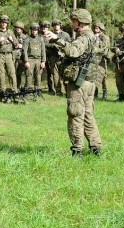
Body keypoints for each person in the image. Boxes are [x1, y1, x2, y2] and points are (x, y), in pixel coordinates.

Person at [45, 9, 102, 157]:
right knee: (88, 114)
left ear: (80, 22)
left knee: (75, 112)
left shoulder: (83, 38)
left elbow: (73, 51)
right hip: (89, 81)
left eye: (74, 21)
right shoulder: (93, 37)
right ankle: (95, 147)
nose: (71, 23)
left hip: (79, 82)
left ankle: (77, 150)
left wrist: (57, 39)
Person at [0, 15, 18, 94]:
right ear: (0, 23)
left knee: (12, 73)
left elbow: (16, 44)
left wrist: (11, 40)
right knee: (1, 74)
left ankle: (14, 90)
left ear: (7, 24)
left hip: (9, 55)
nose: (4, 24)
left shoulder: (10, 32)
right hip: (0, 55)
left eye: (5, 23)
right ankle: (2, 91)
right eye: (2, 22)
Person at [45, 19, 70, 96]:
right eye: (55, 25)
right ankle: (58, 91)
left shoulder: (65, 35)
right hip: (53, 56)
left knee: (65, 74)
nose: (56, 26)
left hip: (64, 57)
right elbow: (45, 44)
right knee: (55, 75)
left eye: (58, 25)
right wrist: (54, 46)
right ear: (53, 26)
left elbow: (69, 44)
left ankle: (67, 90)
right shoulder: (49, 34)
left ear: (60, 25)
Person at [22, 23, 46, 91]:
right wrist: (26, 61)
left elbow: (43, 51)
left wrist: (43, 61)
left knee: (38, 76)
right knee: (29, 76)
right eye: (33, 30)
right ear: (31, 30)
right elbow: (24, 51)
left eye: (36, 30)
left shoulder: (41, 39)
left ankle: (37, 91)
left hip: (39, 60)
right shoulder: (27, 39)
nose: (34, 31)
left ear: (37, 30)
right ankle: (26, 91)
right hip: (30, 60)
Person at [93, 22, 111, 99]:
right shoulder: (93, 36)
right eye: (95, 28)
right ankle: (95, 92)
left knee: (103, 77)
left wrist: (96, 40)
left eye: (97, 28)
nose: (95, 29)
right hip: (94, 59)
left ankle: (105, 93)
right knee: (94, 76)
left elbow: (104, 49)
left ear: (101, 29)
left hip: (102, 60)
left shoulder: (105, 37)